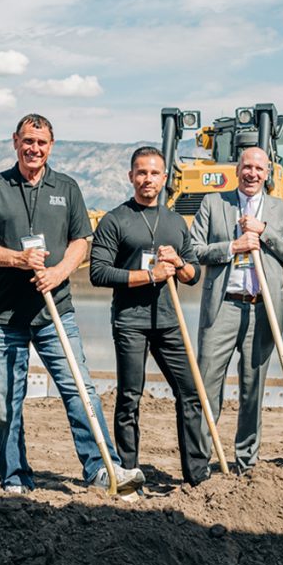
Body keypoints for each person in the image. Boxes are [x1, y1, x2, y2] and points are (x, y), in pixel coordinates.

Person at [0, 113, 144, 493]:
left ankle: (102, 469)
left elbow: (82, 240)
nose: (34, 148)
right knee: (5, 403)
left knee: (80, 390)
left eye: (42, 142)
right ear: (15, 140)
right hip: (2, 316)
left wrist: (59, 272)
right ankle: (15, 477)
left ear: (52, 146)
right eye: (28, 141)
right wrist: (18, 259)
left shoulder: (66, 188)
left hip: (55, 313)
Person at [89, 146, 208, 486]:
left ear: (165, 179)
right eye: (141, 172)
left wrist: (180, 264)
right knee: (129, 396)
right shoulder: (116, 220)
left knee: (190, 392)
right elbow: (99, 273)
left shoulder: (174, 222)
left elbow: (193, 274)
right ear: (131, 176)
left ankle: (196, 473)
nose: (147, 179)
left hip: (169, 322)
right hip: (130, 322)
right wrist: (151, 275)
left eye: (154, 173)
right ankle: (127, 470)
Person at [189, 147, 283, 472]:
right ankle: (199, 464)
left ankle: (246, 463)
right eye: (247, 167)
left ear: (268, 173)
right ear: (237, 170)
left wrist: (264, 232)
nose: (252, 173)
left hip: (262, 309)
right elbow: (193, 248)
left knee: (253, 389)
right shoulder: (213, 203)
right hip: (222, 307)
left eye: (259, 168)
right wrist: (232, 247)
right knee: (208, 386)